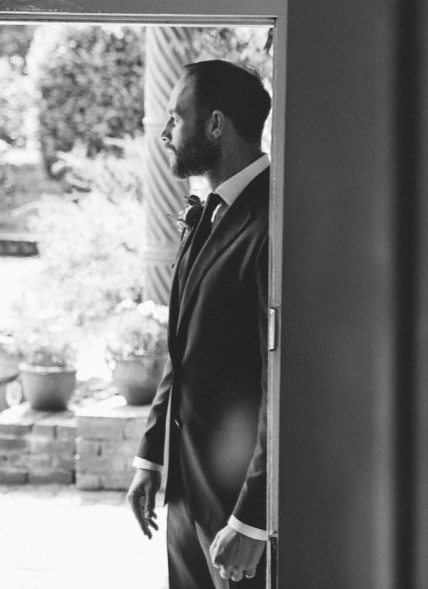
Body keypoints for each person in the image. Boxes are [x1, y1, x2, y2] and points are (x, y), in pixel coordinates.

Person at [126, 60, 272, 587]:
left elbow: (284, 381)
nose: (165, 133)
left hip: (238, 507)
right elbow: (182, 349)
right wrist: (152, 458)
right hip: (185, 493)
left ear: (215, 124)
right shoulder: (207, 211)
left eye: (175, 117)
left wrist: (254, 518)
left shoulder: (273, 221)